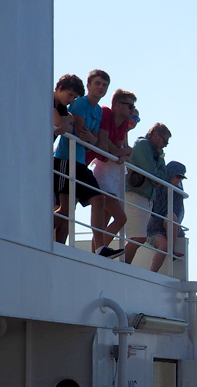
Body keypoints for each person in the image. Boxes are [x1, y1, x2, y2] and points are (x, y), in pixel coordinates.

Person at [53, 69, 122, 258]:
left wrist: (91, 138)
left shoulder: (98, 110)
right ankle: (39, 228)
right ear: (89, 85)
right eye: (98, 83)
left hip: (80, 161)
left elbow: (98, 142)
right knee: (67, 210)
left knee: (95, 201)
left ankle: (100, 248)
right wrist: (91, 138)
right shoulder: (81, 103)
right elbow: (80, 132)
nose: (101, 87)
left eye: (105, 85)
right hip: (66, 159)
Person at [86, 89, 135, 252]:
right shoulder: (106, 113)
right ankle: (99, 251)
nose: (132, 111)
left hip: (103, 171)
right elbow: (105, 145)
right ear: (119, 106)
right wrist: (121, 152)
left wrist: (120, 152)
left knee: (105, 220)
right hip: (98, 170)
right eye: (130, 106)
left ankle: (98, 251)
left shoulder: (122, 126)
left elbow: (121, 152)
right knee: (120, 218)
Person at [124, 123, 170, 264]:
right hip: (135, 195)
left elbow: (163, 175)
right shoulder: (143, 145)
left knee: (137, 237)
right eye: (165, 141)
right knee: (138, 238)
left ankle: (124, 265)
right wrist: (156, 175)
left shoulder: (157, 153)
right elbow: (151, 171)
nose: (166, 145)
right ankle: (122, 265)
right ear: (155, 135)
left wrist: (157, 170)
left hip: (146, 197)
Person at [147, 161, 187, 272]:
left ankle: (172, 250)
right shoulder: (156, 187)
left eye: (181, 178)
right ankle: (152, 273)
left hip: (169, 229)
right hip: (153, 229)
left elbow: (178, 213)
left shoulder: (177, 193)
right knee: (163, 245)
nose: (179, 180)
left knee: (172, 218)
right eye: (177, 176)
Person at [53, 74, 82, 140]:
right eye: (70, 95)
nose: (71, 100)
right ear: (60, 88)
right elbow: (57, 124)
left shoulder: (62, 107)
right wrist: (69, 120)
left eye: (74, 97)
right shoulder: (47, 99)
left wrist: (70, 119)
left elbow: (71, 129)